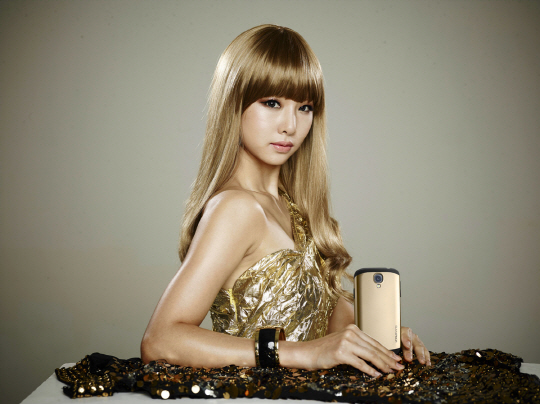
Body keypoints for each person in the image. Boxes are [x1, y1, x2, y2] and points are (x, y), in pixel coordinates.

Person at [141, 24, 430, 378]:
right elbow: (160, 341)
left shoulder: (293, 207)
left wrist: (379, 338)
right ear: (234, 103)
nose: (290, 125)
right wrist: (302, 353)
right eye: (272, 103)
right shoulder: (236, 208)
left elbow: (326, 319)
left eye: (305, 107)